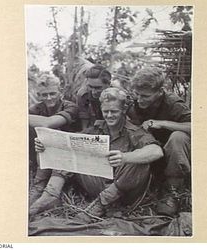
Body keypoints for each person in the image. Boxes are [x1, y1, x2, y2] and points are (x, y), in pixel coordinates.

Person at [29, 87, 163, 222]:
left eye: (114, 111)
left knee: (139, 161)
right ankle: (51, 195)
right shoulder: (97, 128)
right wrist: (45, 146)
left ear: (123, 110)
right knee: (68, 146)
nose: (109, 115)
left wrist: (125, 157)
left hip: (124, 189)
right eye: (106, 111)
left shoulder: (133, 131)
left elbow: (156, 151)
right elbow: (68, 142)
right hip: (97, 184)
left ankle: (102, 203)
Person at [127, 67, 191, 216]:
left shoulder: (173, 104)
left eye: (145, 96)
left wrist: (162, 123)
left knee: (178, 137)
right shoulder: (135, 103)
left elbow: (198, 127)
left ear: (160, 92)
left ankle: (173, 191)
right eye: (137, 94)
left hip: (174, 155)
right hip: (153, 152)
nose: (139, 99)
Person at [28, 74, 78, 205]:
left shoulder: (70, 107)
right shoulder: (35, 109)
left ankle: (49, 194)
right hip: (43, 157)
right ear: (39, 95)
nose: (49, 98)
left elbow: (48, 123)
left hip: (69, 157)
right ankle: (38, 186)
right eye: (44, 95)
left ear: (60, 91)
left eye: (52, 93)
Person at [76, 64, 111, 129]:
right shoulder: (83, 95)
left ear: (108, 84)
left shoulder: (118, 94)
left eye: (98, 88)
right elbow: (84, 122)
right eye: (90, 87)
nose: (93, 92)